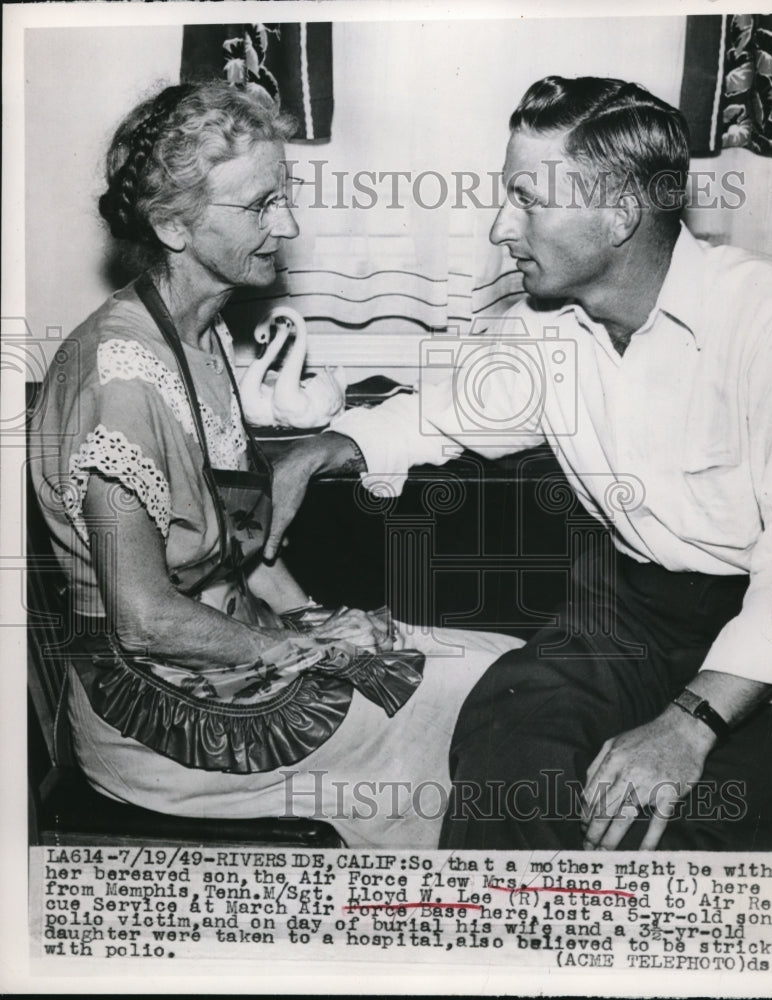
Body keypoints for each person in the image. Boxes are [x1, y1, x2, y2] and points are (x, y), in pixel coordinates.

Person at [266, 76, 772, 851]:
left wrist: (690, 723)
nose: (498, 228)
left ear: (618, 213)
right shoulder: (545, 328)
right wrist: (339, 444)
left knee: (661, 830)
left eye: (526, 199)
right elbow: (444, 411)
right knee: (508, 745)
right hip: (629, 612)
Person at [30, 80, 521, 849]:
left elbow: (235, 539)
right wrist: (304, 647)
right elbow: (145, 616)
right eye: (260, 206)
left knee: (497, 661)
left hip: (233, 646)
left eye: (283, 196)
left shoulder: (202, 337)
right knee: (470, 696)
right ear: (173, 226)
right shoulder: (118, 379)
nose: (285, 223)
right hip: (150, 711)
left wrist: (307, 615)